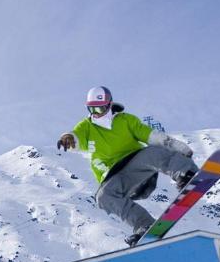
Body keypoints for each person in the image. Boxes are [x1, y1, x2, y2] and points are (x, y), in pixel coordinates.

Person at [58, 86, 199, 245]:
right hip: (117, 176)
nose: (97, 113)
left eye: (101, 108)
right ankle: (144, 225)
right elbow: (75, 136)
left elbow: (150, 136)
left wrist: (178, 147)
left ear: (109, 105)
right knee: (103, 197)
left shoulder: (125, 120)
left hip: (137, 163)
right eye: (92, 109)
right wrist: (68, 138)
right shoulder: (87, 126)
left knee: (152, 151)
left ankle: (186, 173)